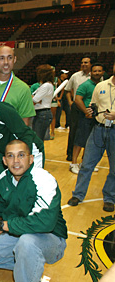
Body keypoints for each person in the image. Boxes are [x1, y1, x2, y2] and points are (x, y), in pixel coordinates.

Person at [0, 140, 67, 282]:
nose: (16, 161)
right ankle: (31, 267)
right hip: (17, 233)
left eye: (21, 155)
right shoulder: (4, 178)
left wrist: (2, 226)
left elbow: (44, 222)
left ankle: (28, 269)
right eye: (10, 156)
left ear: (31, 158)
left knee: (27, 242)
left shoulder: (44, 179)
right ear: (4, 160)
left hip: (49, 237)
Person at [67, 61, 115, 212]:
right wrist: (90, 112)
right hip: (98, 130)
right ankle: (78, 194)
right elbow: (93, 105)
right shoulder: (101, 86)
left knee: (114, 169)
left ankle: (109, 197)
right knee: (87, 164)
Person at [69, 63, 104, 174]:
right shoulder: (85, 85)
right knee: (80, 140)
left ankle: (83, 163)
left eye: (99, 71)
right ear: (90, 73)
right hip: (85, 118)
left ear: (102, 72)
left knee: (90, 142)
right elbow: (78, 99)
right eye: (95, 71)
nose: (97, 73)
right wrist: (85, 111)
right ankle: (73, 163)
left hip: (97, 119)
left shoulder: (102, 86)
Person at [65, 55, 95, 161]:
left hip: (90, 108)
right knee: (74, 130)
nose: (83, 64)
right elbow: (67, 90)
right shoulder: (75, 76)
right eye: (82, 62)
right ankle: (70, 155)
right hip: (77, 107)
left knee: (89, 132)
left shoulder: (96, 77)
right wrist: (70, 102)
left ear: (91, 64)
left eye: (86, 62)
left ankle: (85, 157)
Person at [31, 64, 55, 141]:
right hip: (40, 113)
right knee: (37, 138)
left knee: (38, 139)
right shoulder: (44, 85)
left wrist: (32, 98)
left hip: (43, 113)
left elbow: (34, 100)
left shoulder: (46, 86)